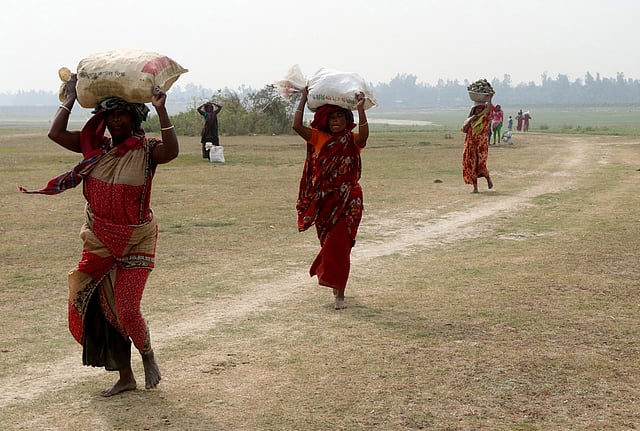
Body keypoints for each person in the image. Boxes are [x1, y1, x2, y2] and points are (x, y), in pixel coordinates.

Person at [19, 73, 179, 397]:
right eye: (111, 114)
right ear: (103, 120)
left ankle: (147, 355)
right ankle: (125, 376)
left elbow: (173, 151)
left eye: (123, 113)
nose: (117, 119)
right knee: (102, 308)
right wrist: (69, 99)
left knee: (127, 308)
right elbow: (55, 132)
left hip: (136, 239)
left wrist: (162, 109)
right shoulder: (95, 149)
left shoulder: (147, 151)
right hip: (98, 239)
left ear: (133, 117)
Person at [292, 87, 369, 310]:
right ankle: (335, 284)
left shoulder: (352, 140)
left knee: (341, 245)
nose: (336, 121)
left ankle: (340, 294)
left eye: (340, 117)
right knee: (329, 243)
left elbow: (364, 138)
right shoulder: (318, 137)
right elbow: (296, 126)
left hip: (349, 199)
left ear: (347, 120)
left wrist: (362, 110)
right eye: (332, 117)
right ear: (325, 120)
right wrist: (303, 99)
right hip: (325, 201)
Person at [461, 94, 494, 193]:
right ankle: (475, 188)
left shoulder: (484, 119)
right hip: (470, 146)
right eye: (477, 109)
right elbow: (463, 129)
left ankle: (488, 178)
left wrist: (489, 99)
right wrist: (470, 120)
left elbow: (489, 110)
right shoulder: (470, 120)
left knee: (481, 165)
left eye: (480, 109)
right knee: (471, 165)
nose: (478, 111)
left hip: (481, 146)